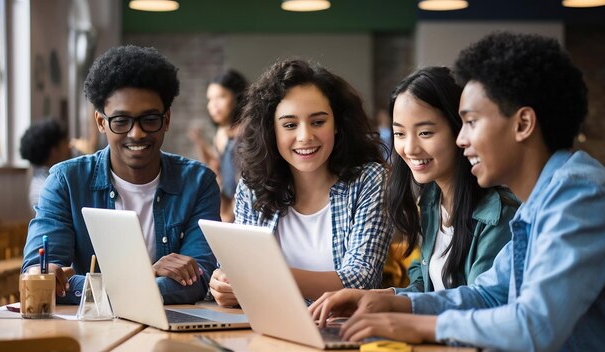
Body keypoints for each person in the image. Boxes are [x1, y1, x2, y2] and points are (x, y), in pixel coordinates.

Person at [309, 32, 605, 351]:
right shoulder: (542, 199)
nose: (462, 140)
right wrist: (390, 303)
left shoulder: (579, 194)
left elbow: (534, 325)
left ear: (523, 123)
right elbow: (487, 295)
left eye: (471, 122)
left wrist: (413, 325)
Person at [21, 45, 221, 305]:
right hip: (91, 331)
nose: (136, 133)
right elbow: (41, 279)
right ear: (101, 122)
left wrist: (86, 285)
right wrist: (146, 276)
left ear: (167, 119)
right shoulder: (65, 182)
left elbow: (196, 281)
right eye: (121, 121)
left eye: (150, 119)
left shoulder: (198, 183)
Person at [209, 59, 392, 306]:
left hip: (342, 332)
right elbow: (236, 269)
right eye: (290, 125)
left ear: (337, 124)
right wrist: (222, 282)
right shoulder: (253, 188)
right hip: (268, 329)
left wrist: (260, 277)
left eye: (318, 122)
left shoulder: (369, 180)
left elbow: (361, 279)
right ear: (271, 130)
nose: (305, 136)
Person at [378, 67, 518, 294]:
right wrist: (386, 297)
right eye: (400, 134)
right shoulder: (431, 198)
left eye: (425, 133)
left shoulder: (499, 215)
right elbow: (423, 277)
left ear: (459, 131)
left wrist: (397, 304)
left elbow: (480, 303)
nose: (410, 148)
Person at [188, 70, 247, 223]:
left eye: (221, 96)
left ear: (237, 97)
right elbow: (215, 168)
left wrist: (231, 214)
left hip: (245, 212)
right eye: (210, 99)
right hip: (230, 211)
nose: (213, 105)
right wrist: (200, 143)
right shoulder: (221, 134)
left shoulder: (248, 132)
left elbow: (247, 180)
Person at [19, 119, 72, 210]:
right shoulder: (46, 187)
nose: (69, 147)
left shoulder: (41, 179)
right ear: (54, 151)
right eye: (65, 143)